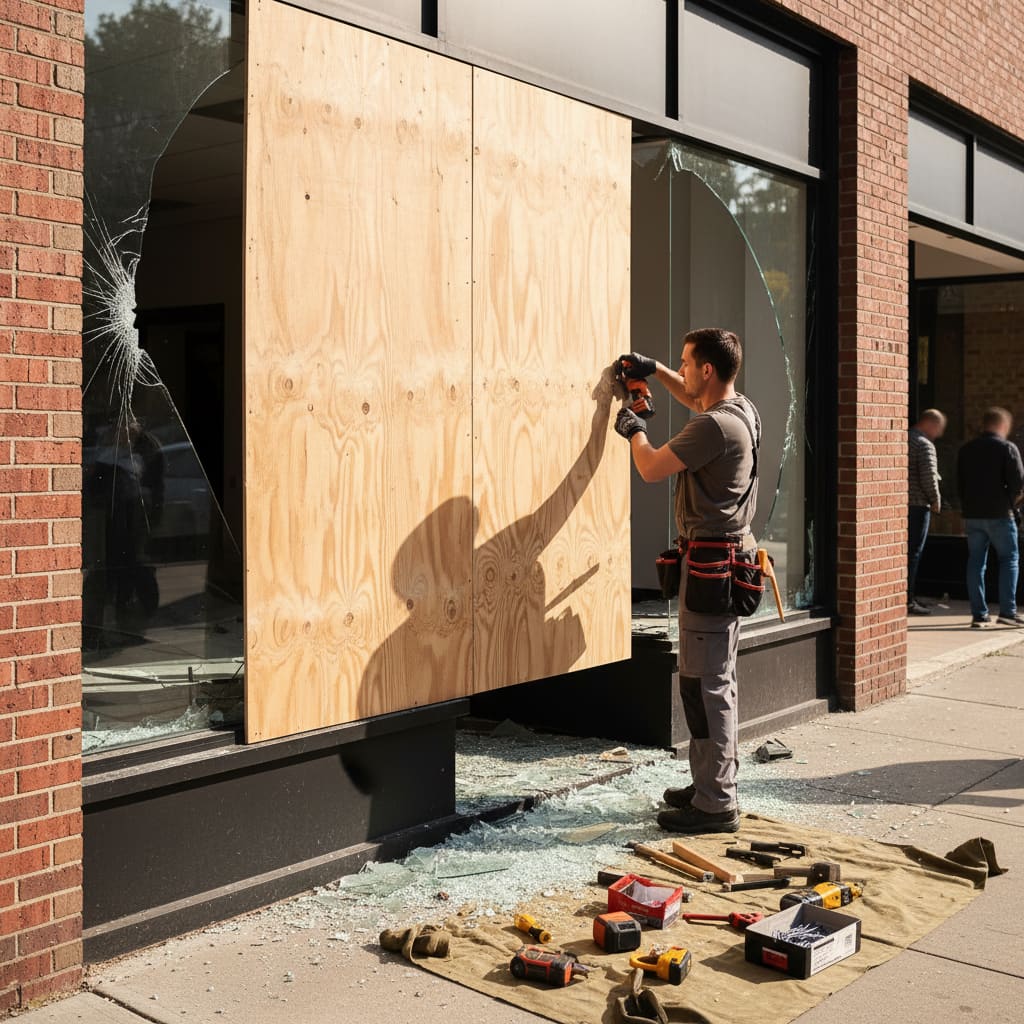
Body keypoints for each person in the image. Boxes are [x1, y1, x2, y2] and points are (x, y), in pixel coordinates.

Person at [615, 329, 761, 835]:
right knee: (716, 682)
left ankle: (715, 804)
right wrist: (653, 369)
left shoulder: (714, 427)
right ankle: (710, 784)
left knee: (704, 688)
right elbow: (692, 395)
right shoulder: (741, 409)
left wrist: (634, 429)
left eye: (684, 363)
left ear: (707, 369)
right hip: (726, 560)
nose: (680, 371)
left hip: (711, 567)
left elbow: (651, 468)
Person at [956, 407, 1024, 628]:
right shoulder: (1007, 448)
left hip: (973, 515)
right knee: (1009, 559)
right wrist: (1011, 504)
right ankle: (1007, 612)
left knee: (976, 562)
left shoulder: (966, 449)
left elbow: (960, 484)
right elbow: (1018, 484)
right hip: (1000, 515)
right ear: (1002, 425)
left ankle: (979, 615)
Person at [907, 409, 946, 615]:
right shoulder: (924, 444)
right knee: (913, 553)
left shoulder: (904, 438)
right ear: (930, 423)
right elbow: (929, 477)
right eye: (939, 428)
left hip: (904, 504)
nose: (939, 434)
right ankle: (908, 599)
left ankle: (908, 595)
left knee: (905, 552)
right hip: (918, 504)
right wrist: (936, 501)